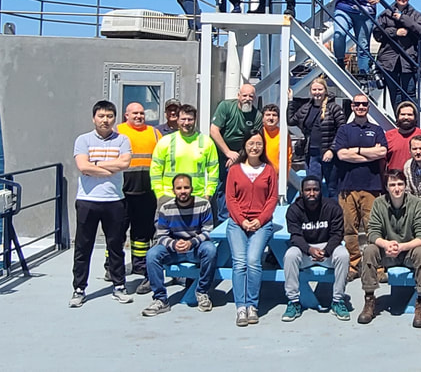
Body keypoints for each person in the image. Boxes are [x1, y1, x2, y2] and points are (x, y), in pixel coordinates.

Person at [70, 100, 133, 307]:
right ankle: (79, 289)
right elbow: (82, 166)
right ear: (94, 118)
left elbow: (124, 163)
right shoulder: (83, 140)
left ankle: (119, 286)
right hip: (88, 201)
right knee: (83, 246)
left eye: (109, 116)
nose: (105, 120)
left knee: (115, 245)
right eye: (101, 116)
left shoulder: (123, 140)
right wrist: (107, 169)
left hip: (114, 200)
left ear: (115, 118)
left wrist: (95, 165)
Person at [358, 170, 421, 328]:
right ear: (386, 187)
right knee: (369, 250)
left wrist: (402, 247)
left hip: (409, 251)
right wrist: (386, 244)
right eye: (392, 185)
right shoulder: (379, 203)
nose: (397, 188)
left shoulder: (416, 204)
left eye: (400, 184)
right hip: (388, 251)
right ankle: (369, 299)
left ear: (406, 186)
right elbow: (372, 231)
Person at [142, 174, 217, 317]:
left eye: (186, 187)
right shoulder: (166, 208)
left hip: (195, 248)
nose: (183, 191)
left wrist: (191, 242)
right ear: (173, 190)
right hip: (173, 250)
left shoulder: (203, 205)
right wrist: (174, 244)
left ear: (192, 188)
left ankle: (202, 292)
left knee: (210, 249)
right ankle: (160, 299)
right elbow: (161, 235)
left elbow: (208, 231)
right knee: (152, 254)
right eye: (179, 188)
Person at [224, 132, 279, 326]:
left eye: (258, 144)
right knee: (239, 263)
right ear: (244, 146)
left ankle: (252, 305)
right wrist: (242, 221)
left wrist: (260, 219)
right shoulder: (235, 170)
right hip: (237, 223)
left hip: (261, 223)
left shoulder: (269, 170)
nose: (255, 147)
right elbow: (230, 199)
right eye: (251, 143)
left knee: (253, 260)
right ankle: (241, 307)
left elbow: (272, 198)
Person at [332, 93, 388, 280]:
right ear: (353, 107)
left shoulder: (377, 129)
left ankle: (378, 267)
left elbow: (382, 152)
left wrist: (354, 151)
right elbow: (341, 155)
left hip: (372, 186)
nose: (361, 107)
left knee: (374, 228)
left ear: (368, 107)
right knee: (349, 230)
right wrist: (367, 153)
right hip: (347, 187)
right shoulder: (344, 130)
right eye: (357, 104)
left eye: (364, 104)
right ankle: (353, 266)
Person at [281, 175, 351, 322]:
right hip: (305, 251)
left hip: (327, 249)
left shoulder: (332, 207)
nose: (311, 193)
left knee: (343, 255)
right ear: (301, 192)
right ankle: (294, 302)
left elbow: (337, 234)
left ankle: (338, 301)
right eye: (308, 190)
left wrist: (326, 251)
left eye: (315, 190)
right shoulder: (294, 210)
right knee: (290, 255)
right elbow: (295, 237)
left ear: (321, 191)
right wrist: (309, 250)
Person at [115, 102, 162, 281]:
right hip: (122, 191)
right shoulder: (118, 132)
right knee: (117, 232)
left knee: (142, 232)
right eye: (134, 113)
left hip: (147, 192)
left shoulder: (154, 133)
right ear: (126, 115)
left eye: (141, 113)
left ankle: (140, 265)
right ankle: (112, 266)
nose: (139, 116)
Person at [210, 84, 261, 220]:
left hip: (241, 154)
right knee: (222, 186)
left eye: (251, 96)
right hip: (221, 152)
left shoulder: (257, 116)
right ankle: (222, 220)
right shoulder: (226, 107)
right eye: (244, 95)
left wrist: (238, 157)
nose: (247, 99)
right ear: (238, 96)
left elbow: (253, 140)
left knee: (240, 186)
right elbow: (214, 131)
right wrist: (228, 153)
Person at [288, 77, 345, 198]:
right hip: (312, 154)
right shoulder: (306, 108)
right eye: (314, 89)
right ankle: (315, 215)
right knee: (313, 188)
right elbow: (291, 120)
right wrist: (290, 100)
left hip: (330, 155)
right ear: (310, 91)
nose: (317, 92)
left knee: (332, 188)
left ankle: (335, 215)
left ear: (325, 90)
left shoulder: (334, 108)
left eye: (320, 89)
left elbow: (342, 131)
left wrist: (332, 150)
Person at [148, 104, 220, 200]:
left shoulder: (207, 142)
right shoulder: (165, 141)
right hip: (169, 196)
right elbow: (155, 170)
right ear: (177, 120)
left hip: (197, 196)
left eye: (190, 119)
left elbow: (213, 171)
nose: (186, 123)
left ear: (195, 120)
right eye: (183, 119)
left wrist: (208, 193)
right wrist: (160, 194)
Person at [372, 0, 421, 107]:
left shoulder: (415, 14)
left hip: (408, 60)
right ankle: (399, 121)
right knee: (395, 93)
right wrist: (394, 32)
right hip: (389, 61)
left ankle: (412, 123)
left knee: (410, 94)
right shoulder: (386, 14)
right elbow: (377, 33)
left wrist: (403, 19)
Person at [384, 101, 421, 172]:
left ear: (415, 118)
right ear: (397, 117)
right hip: (395, 180)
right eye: (402, 114)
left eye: (410, 115)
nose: (406, 117)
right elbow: (382, 162)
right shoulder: (387, 136)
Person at [260, 103, 296, 195]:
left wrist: (284, 178)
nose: (271, 118)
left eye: (274, 115)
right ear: (262, 118)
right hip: (259, 178)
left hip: (277, 180)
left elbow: (288, 157)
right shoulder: (258, 133)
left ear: (279, 119)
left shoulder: (283, 134)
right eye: (268, 115)